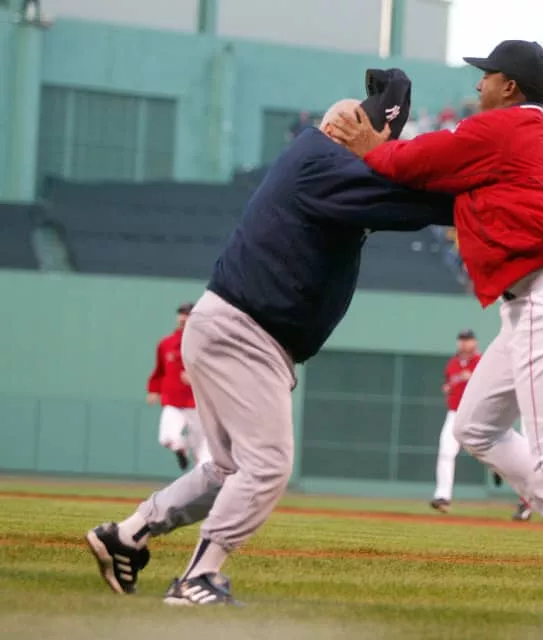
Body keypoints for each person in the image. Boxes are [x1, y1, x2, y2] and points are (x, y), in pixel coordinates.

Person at [329, 40, 543, 634]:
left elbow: (413, 161)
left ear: (510, 87)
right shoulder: (516, 135)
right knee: (475, 428)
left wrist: (372, 145)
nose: (479, 86)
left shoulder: (506, 128)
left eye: (487, 76)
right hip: (534, 303)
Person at [84, 69, 458, 606]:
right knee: (267, 465)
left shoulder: (321, 159)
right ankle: (196, 578)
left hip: (232, 325)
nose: (379, 148)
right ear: (342, 127)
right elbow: (410, 202)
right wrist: (475, 193)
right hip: (246, 331)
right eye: (376, 136)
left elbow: (395, 191)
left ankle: (127, 536)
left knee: (226, 468)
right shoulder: (325, 162)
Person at [146, 302, 209, 470]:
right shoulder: (166, 344)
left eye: (187, 314)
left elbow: (217, 373)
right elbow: (159, 370)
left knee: (203, 455)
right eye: (181, 314)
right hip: (173, 401)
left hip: (198, 405)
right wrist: (153, 390)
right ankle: (180, 448)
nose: (183, 317)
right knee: (167, 437)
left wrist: (196, 378)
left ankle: (205, 490)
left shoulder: (205, 344)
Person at [431, 329, 481, 513]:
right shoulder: (452, 363)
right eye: (461, 339)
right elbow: (448, 382)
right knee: (446, 452)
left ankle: (499, 472)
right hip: (454, 414)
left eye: (468, 339)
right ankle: (442, 496)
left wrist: (473, 378)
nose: (464, 343)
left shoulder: (481, 362)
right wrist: (448, 387)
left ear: (474, 342)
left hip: (477, 415)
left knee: (492, 453)